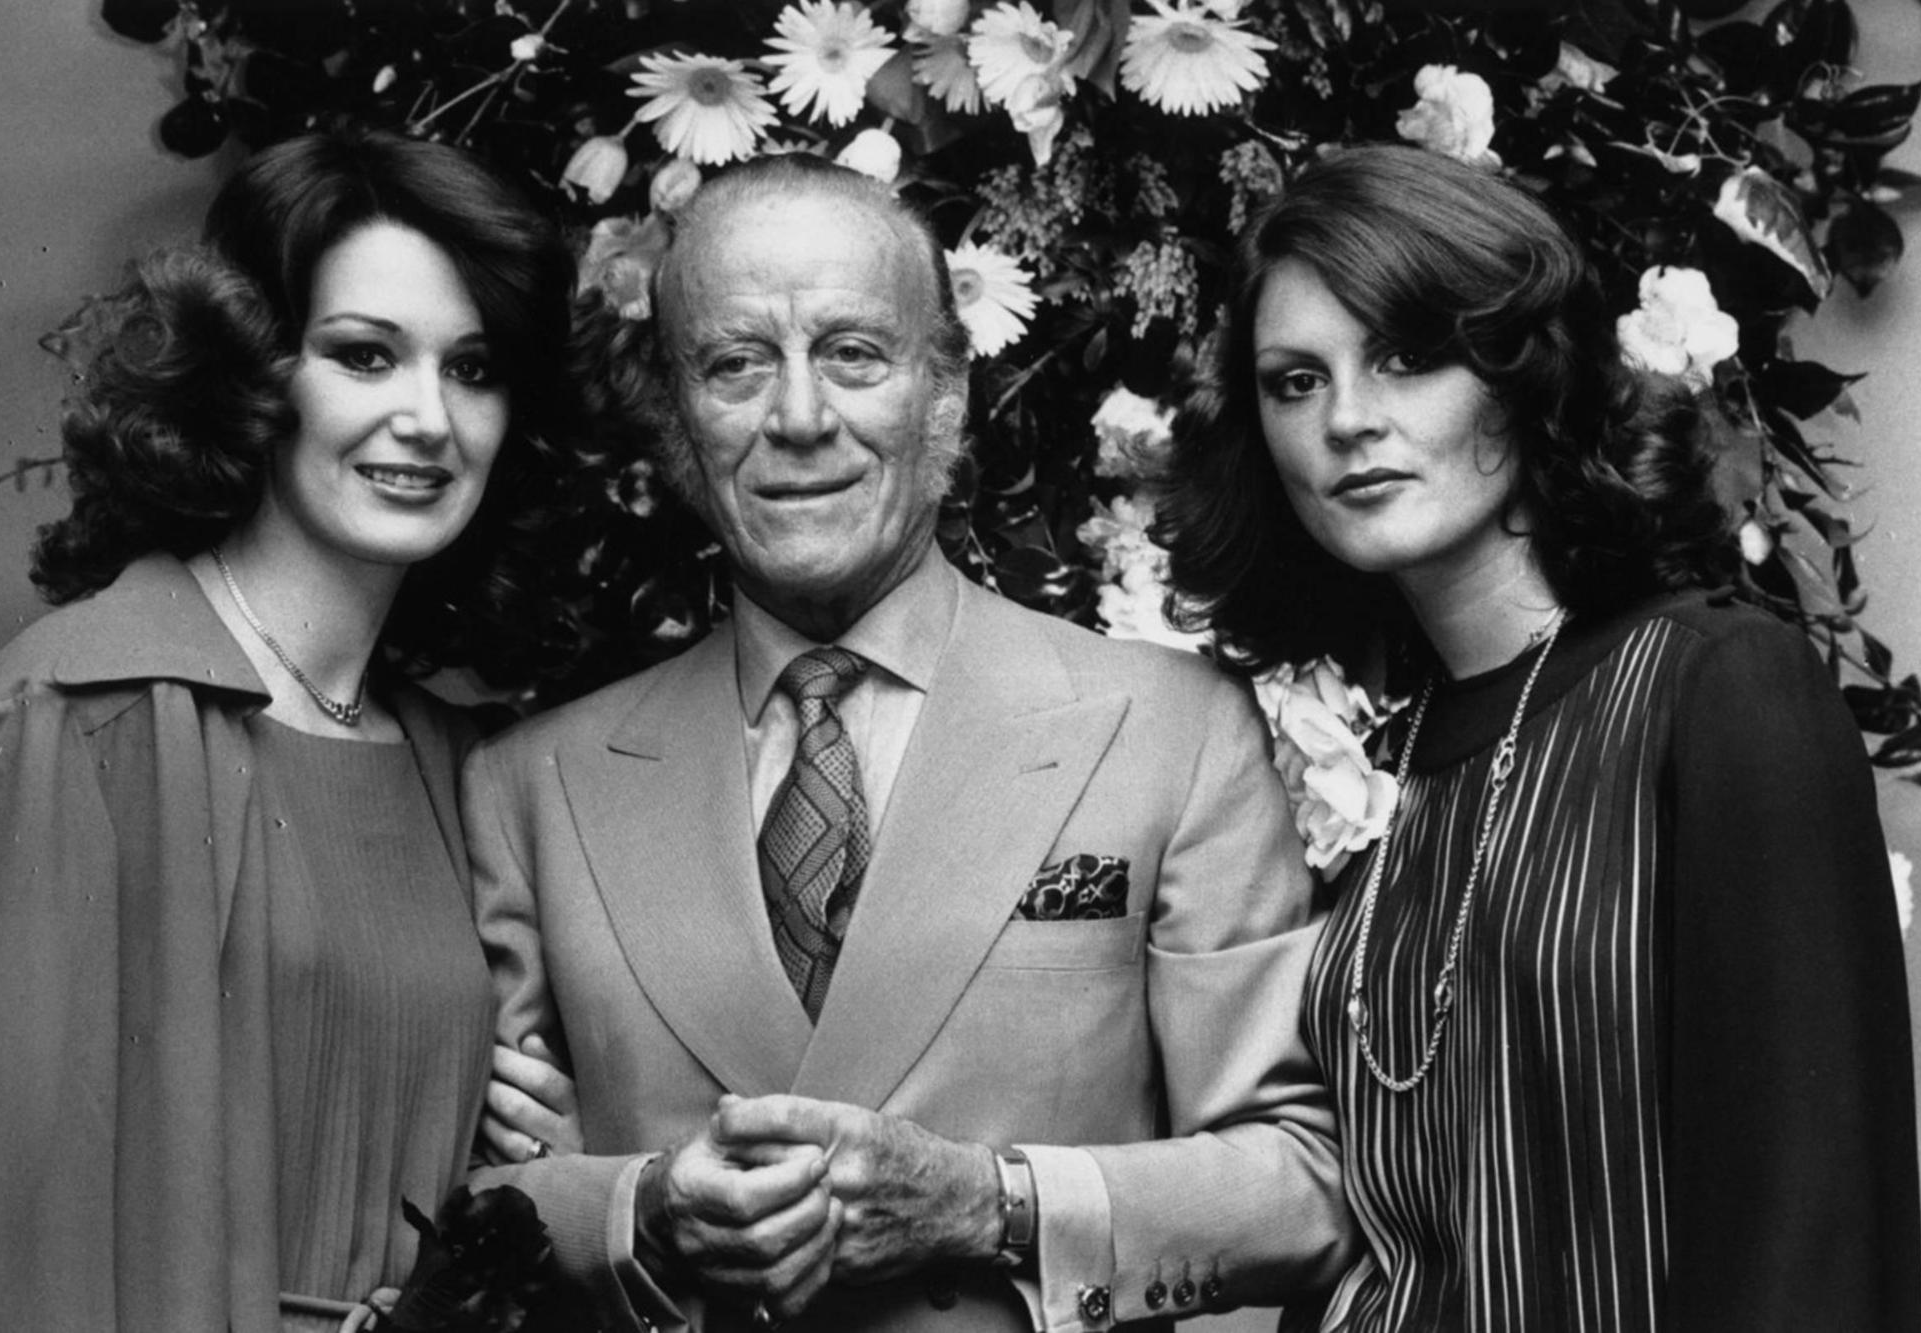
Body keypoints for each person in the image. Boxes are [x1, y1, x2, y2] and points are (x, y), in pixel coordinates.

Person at [463, 151, 1357, 1332]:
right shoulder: (533, 785)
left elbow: (1306, 1181)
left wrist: (991, 1203)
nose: (798, 417)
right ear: (675, 419)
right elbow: (470, 1198)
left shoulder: (1171, 732)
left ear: (945, 392)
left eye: (852, 354)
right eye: (735, 364)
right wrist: (638, 1210)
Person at [1155, 142, 1921, 1332]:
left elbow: (1811, 1238)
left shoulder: (1711, 687)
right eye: (1295, 381)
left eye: (1406, 357)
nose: (1347, 420)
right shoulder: (1370, 763)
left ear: (1524, 373)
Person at [0, 126, 584, 1332]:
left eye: (472, 369)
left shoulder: (462, 764)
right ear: (251, 372)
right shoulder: (90, 710)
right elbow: (19, 1245)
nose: (428, 418)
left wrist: (550, 1163)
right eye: (365, 355)